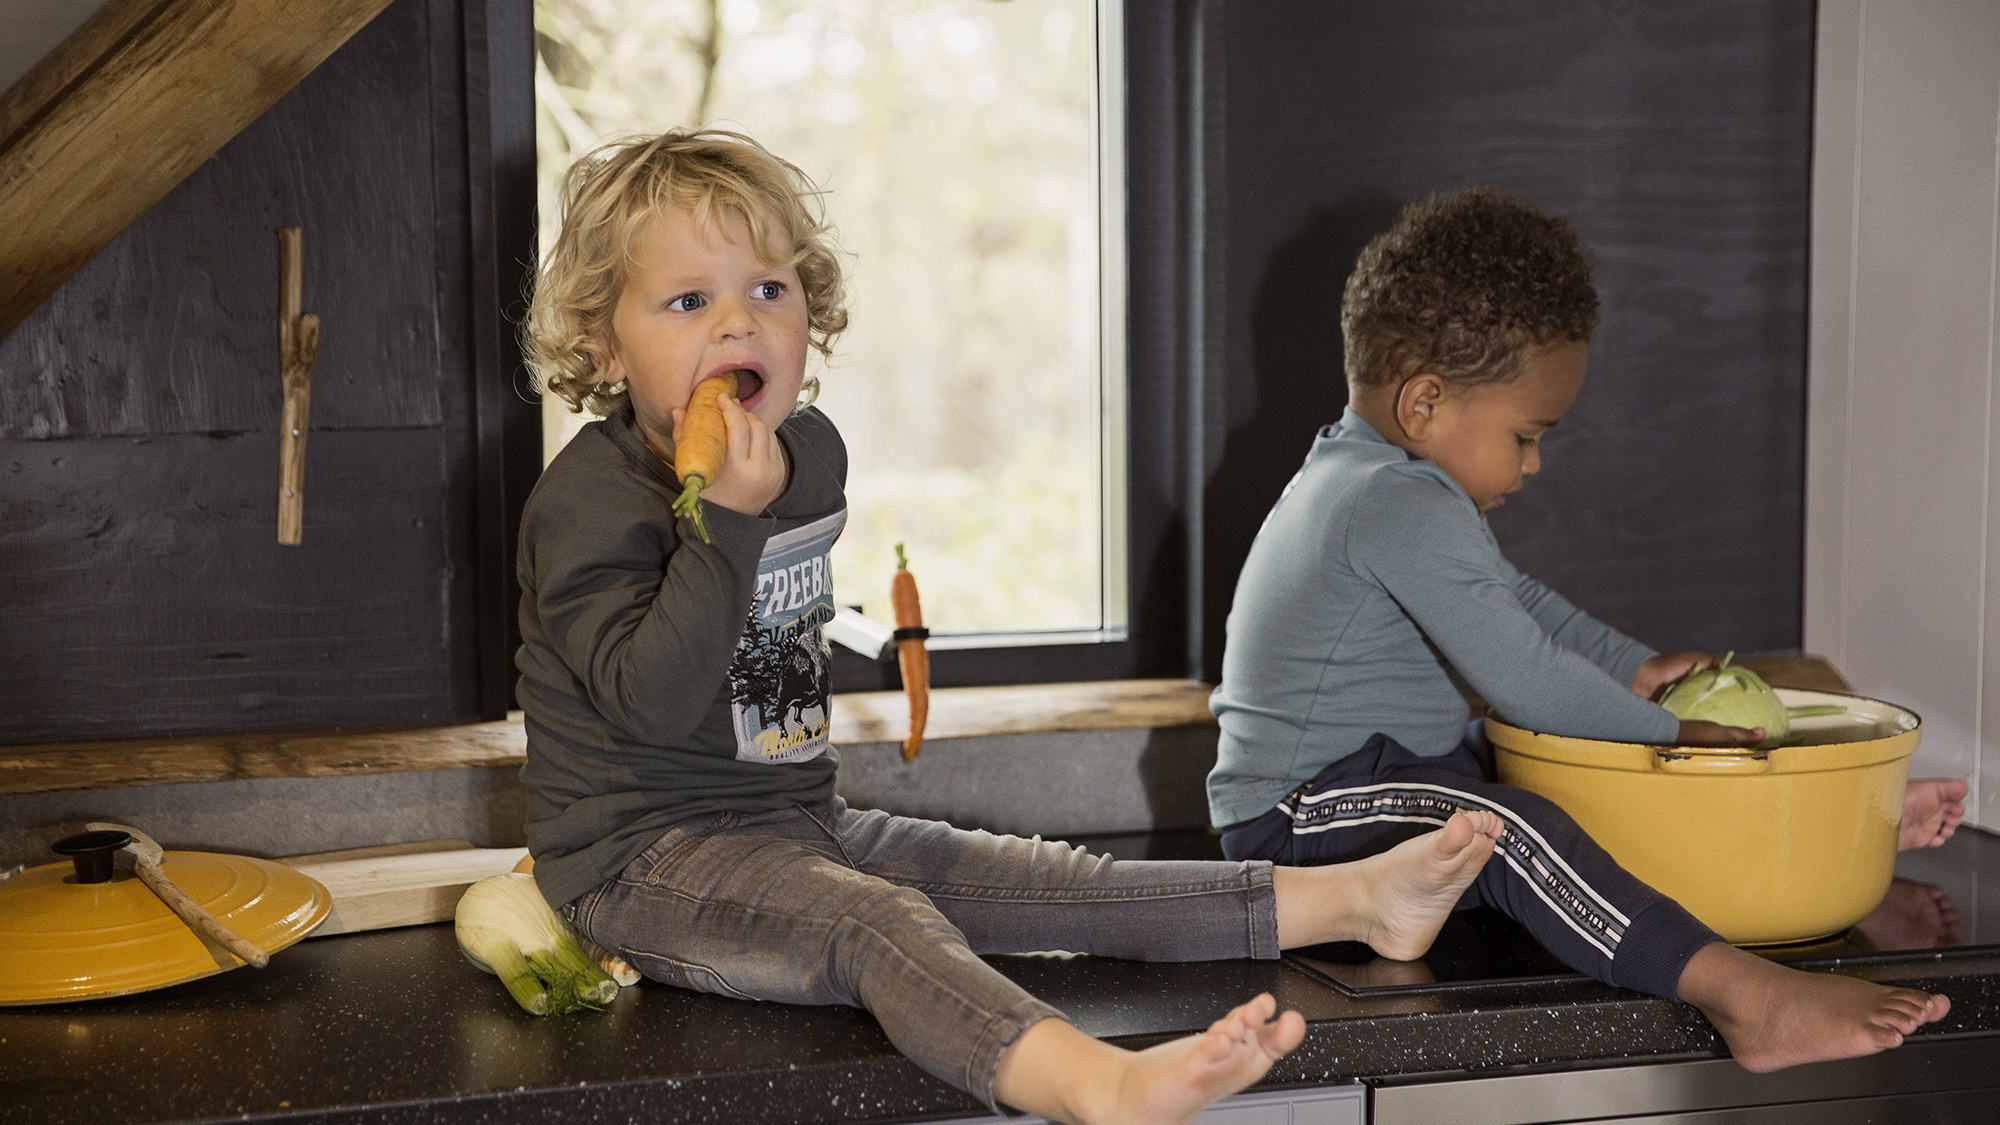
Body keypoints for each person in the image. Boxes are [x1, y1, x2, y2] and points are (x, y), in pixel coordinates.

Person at [513, 129, 1507, 1125]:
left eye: (767, 289)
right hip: (640, 860)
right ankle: (1095, 1084)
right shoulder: (588, 504)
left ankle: (1354, 902)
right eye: (689, 302)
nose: (738, 324)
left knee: (1041, 879)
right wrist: (722, 522)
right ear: (603, 343)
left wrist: (743, 504)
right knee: (876, 923)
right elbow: (649, 704)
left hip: (796, 819)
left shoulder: (804, 456)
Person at [1208, 186, 1956, 1073]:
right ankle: (1744, 996)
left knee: (1568, 778)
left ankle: (1828, 840)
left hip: (1388, 776)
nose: (1532, 464)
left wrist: (1637, 670)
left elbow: (1521, 602)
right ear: (1425, 405)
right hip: (1295, 818)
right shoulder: (1388, 500)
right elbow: (1526, 673)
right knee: (1507, 824)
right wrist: (1673, 729)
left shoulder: (1390, 484)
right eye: (1526, 434)